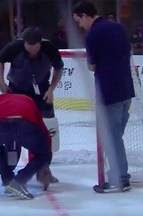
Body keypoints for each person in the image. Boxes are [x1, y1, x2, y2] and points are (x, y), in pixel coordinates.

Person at [73, 1, 135, 193]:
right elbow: (128, 51)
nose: (79, 25)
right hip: (126, 90)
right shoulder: (117, 26)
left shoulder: (93, 35)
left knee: (112, 138)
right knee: (117, 137)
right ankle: (120, 174)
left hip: (109, 92)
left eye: (79, 21)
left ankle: (119, 179)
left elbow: (92, 67)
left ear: (85, 15)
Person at [0, 26, 63, 182]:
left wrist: (51, 89)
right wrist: (1, 82)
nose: (32, 50)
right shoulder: (14, 47)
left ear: (41, 43)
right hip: (17, 91)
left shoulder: (49, 48)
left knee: (46, 131)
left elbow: (59, 68)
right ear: (24, 43)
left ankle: (43, 168)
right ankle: (10, 169)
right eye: (29, 47)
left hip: (42, 92)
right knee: (13, 130)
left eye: (36, 47)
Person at [0, 93, 52, 200]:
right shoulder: (28, 99)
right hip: (22, 124)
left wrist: (3, 136)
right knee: (43, 154)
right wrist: (44, 164)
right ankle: (18, 182)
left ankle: (7, 179)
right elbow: (43, 132)